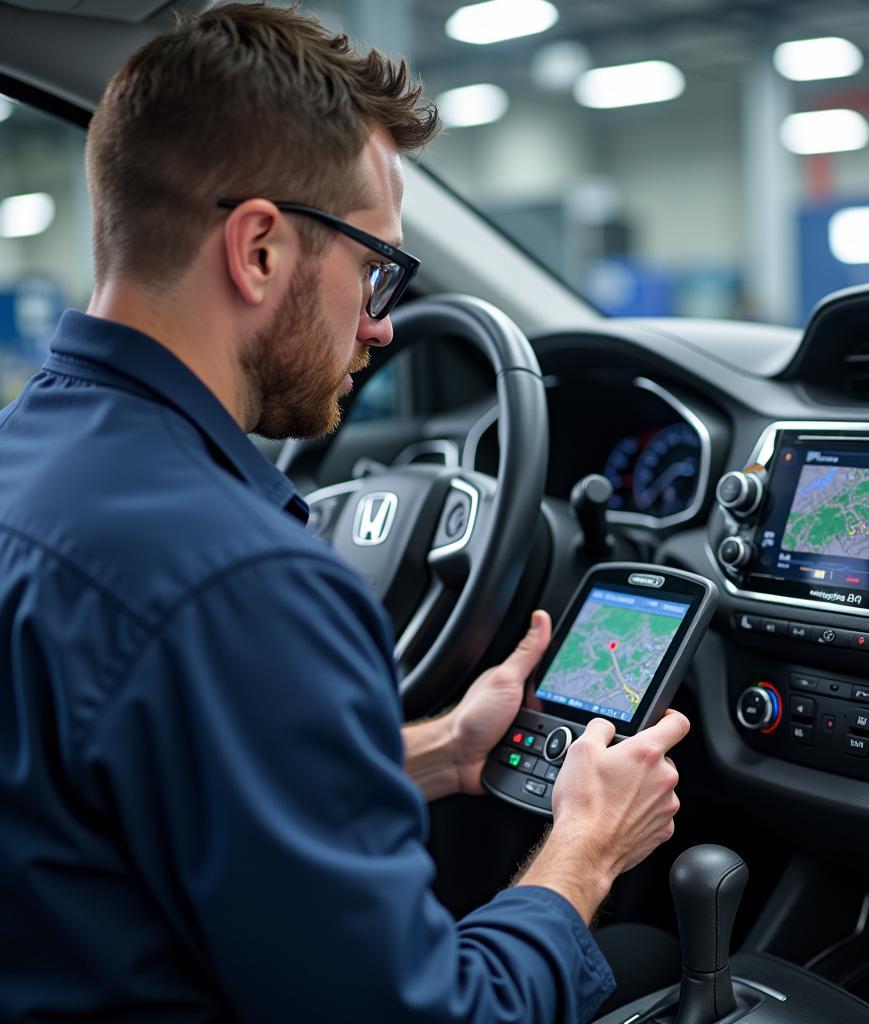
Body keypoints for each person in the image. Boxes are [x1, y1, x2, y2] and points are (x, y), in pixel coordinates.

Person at [0, 4, 689, 1021]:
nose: (379, 323)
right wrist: (584, 850)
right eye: (374, 269)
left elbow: (149, 791)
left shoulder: (29, 461)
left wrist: (446, 746)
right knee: (640, 952)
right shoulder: (244, 583)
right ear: (261, 250)